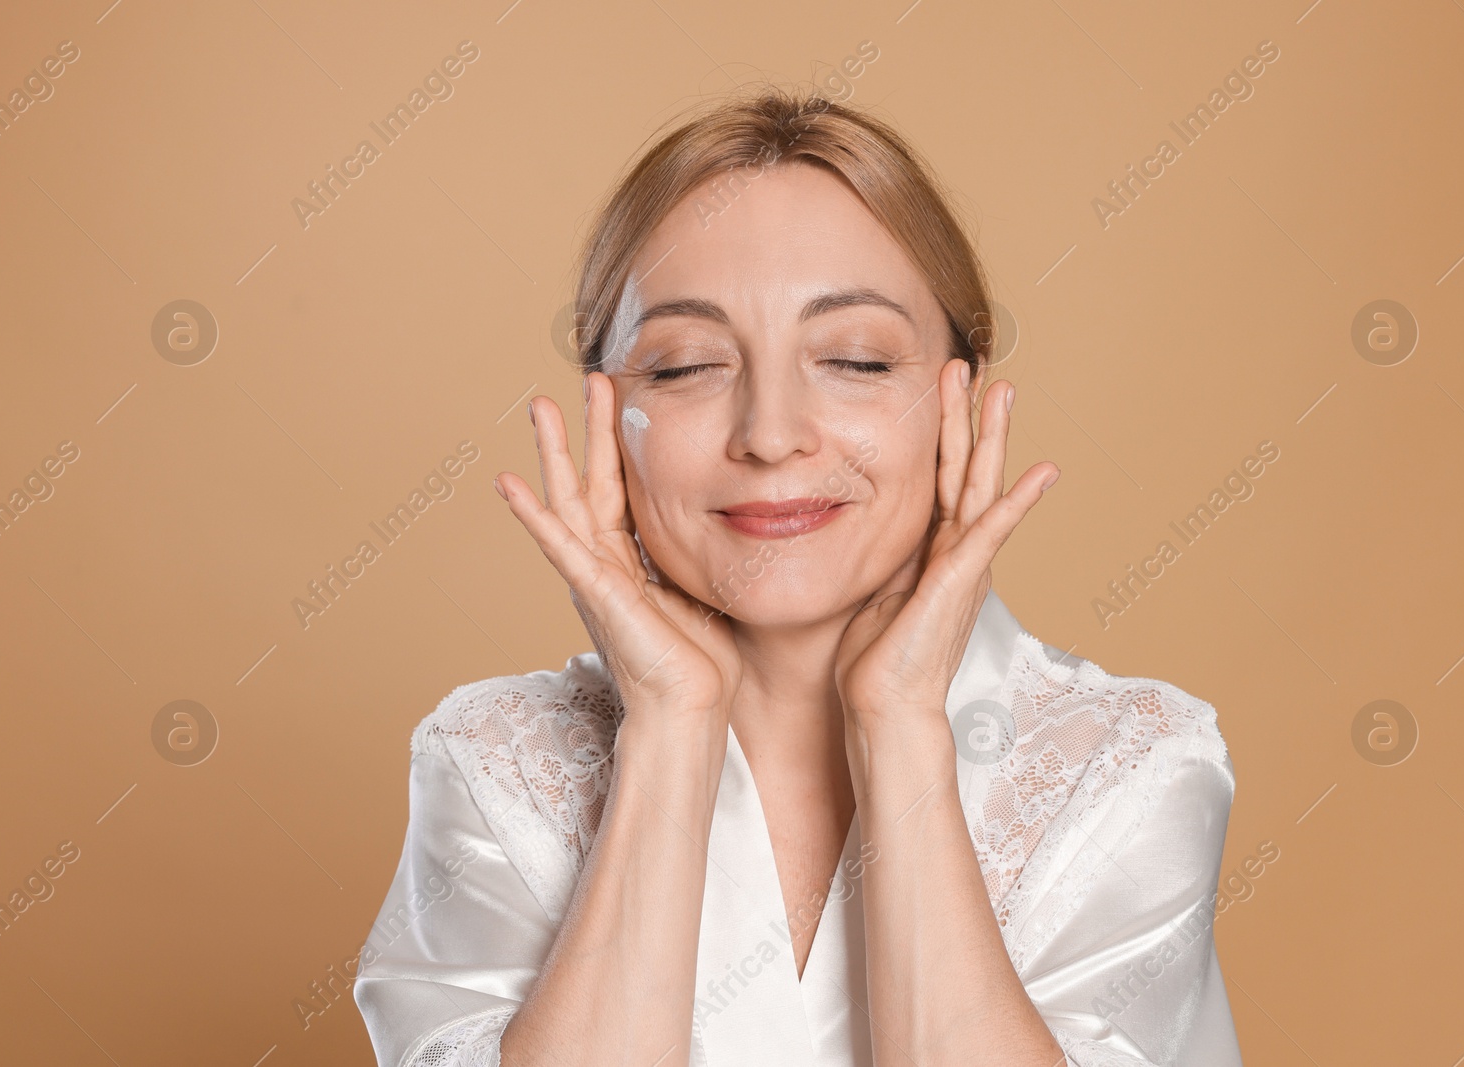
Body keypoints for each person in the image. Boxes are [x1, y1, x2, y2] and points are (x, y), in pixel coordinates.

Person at [355, 87, 1242, 1067]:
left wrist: (900, 724)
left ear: (961, 395)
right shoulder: (494, 764)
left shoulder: (1126, 764)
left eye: (854, 358)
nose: (770, 434)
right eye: (688, 365)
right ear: (606, 417)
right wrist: (669, 726)